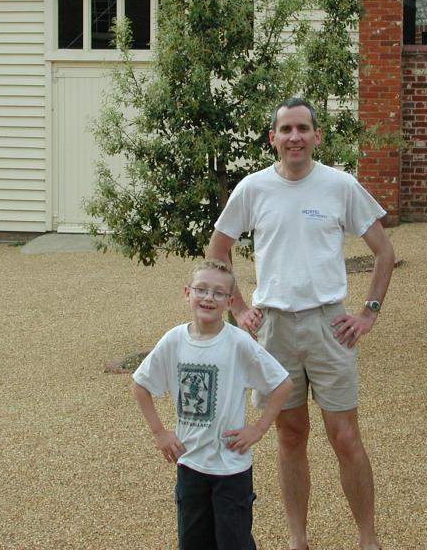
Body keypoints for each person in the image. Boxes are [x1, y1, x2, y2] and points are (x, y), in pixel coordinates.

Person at [207, 97, 394, 550]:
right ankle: (298, 540)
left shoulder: (340, 185)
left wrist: (367, 313)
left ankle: (368, 540)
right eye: (286, 129)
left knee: (345, 436)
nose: (295, 137)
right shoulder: (252, 189)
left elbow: (384, 252)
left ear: (317, 136)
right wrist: (238, 308)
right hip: (274, 332)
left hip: (330, 327)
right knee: (290, 435)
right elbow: (218, 250)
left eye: (303, 129)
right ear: (272, 137)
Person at [132, 258, 293, 550]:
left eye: (219, 293)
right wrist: (159, 432)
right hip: (190, 463)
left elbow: (282, 383)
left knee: (234, 541)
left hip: (231, 468)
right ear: (187, 293)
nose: (209, 297)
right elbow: (140, 385)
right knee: (193, 541)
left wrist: (258, 428)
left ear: (230, 301)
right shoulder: (173, 341)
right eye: (201, 289)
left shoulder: (238, 343)